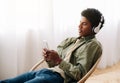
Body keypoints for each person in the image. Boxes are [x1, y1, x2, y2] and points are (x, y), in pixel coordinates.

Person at [0, 8, 105, 83]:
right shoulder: (71, 41)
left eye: (84, 24)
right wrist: (50, 58)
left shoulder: (93, 46)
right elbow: (53, 65)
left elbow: (79, 75)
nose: (79, 26)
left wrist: (59, 60)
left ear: (95, 28)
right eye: (80, 22)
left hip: (58, 78)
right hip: (46, 72)